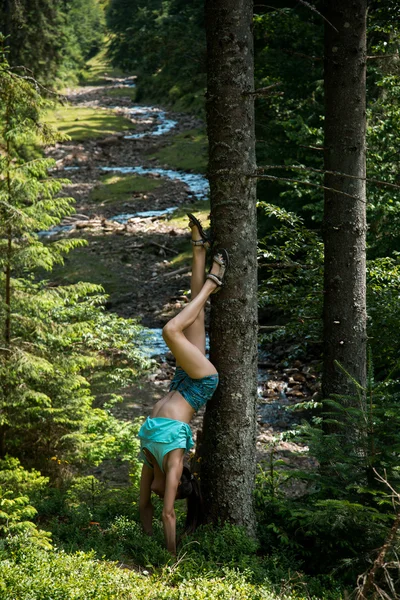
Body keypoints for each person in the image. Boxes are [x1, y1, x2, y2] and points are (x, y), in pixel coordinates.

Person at [138, 213, 229, 556]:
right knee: (170, 331)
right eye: (168, 490)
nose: (160, 491)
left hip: (179, 381)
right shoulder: (175, 460)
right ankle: (213, 282)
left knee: (193, 317)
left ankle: (199, 249)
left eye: (161, 490)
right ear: (181, 481)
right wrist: (171, 556)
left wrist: (146, 542)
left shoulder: (150, 460)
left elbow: (145, 507)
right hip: (201, 383)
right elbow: (167, 513)